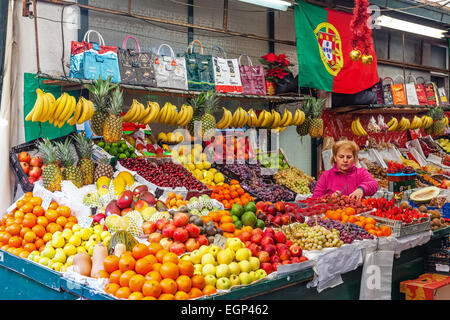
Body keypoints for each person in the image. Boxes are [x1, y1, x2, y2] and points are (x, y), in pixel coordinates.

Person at [312, 139, 378, 200]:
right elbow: (315, 199)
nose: (345, 160)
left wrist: (361, 189)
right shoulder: (326, 176)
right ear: (335, 157)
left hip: (358, 212)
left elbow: (374, 184)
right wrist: (329, 198)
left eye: (349, 157)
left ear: (354, 158)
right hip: (333, 212)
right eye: (341, 157)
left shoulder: (361, 172)